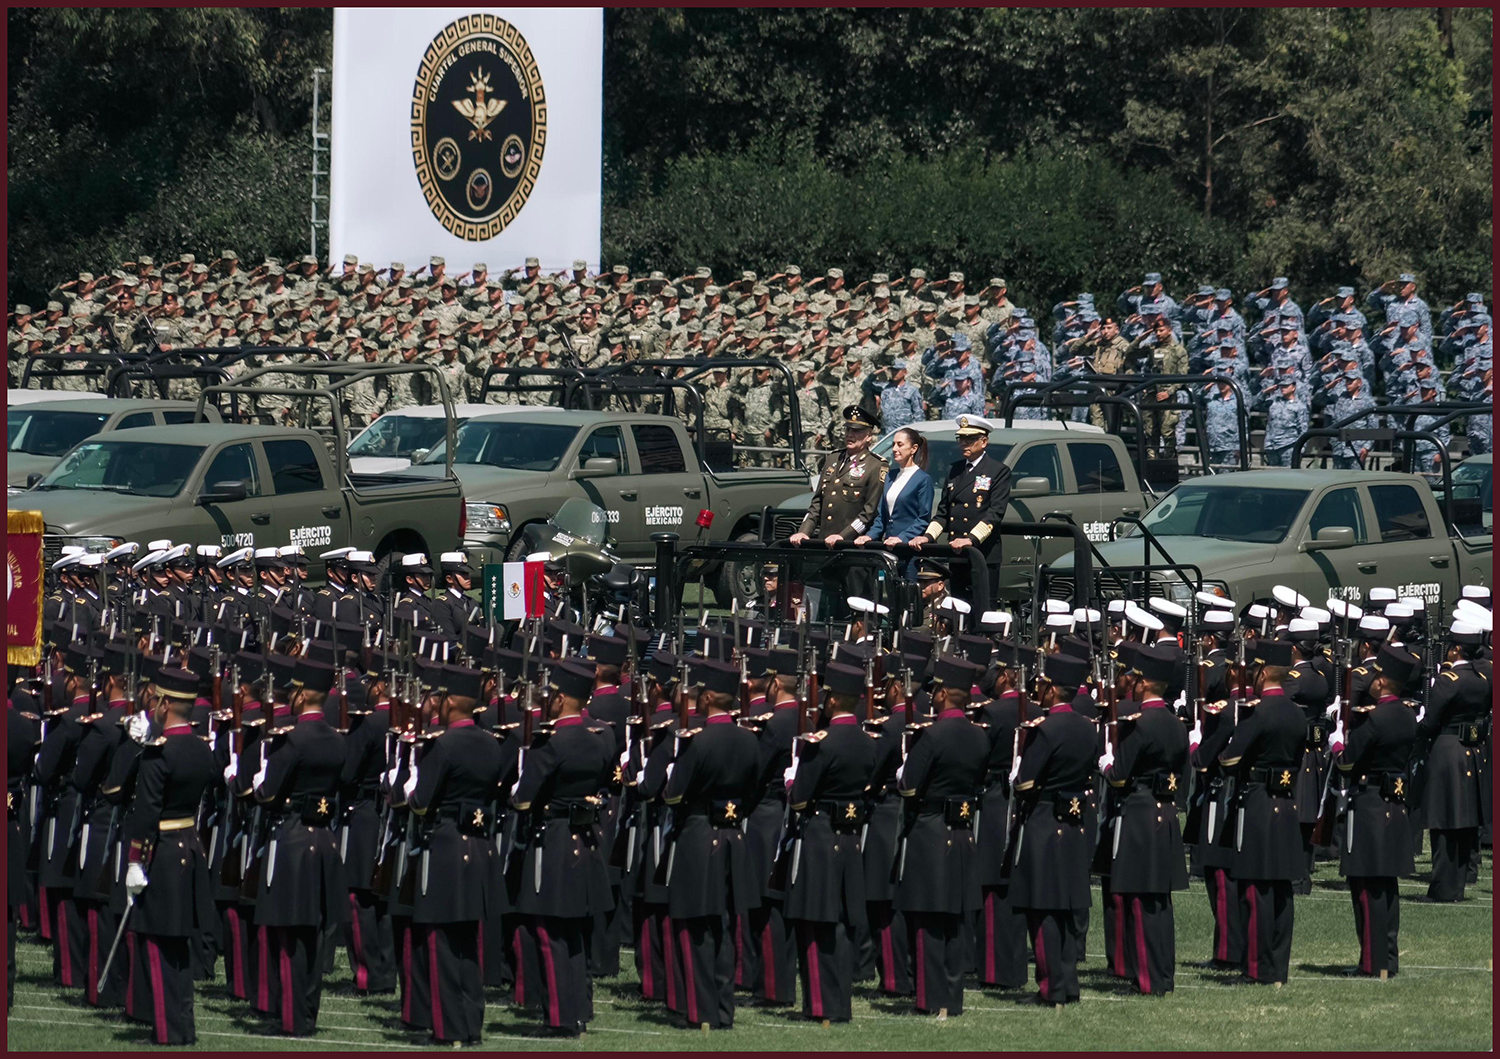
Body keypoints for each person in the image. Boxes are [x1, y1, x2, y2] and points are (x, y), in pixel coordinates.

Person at [405, 664, 506, 1044]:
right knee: (469, 945)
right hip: (480, 845)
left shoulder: (443, 745)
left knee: (442, 944)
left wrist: (409, 777)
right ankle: (471, 1026)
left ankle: (447, 1029)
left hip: (445, 846)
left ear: (448, 702)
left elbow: (420, 802)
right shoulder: (492, 743)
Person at [661, 659, 762, 1030]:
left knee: (693, 927)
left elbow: (673, 796)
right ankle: (722, 1009)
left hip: (699, 836)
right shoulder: (750, 740)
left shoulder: (696, 741)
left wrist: (673, 770)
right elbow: (753, 792)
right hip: (734, 836)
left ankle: (697, 1010)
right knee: (724, 928)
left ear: (705, 698)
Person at [250, 658, 348, 1035]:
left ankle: (291, 1020)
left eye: (293, 691)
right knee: (314, 933)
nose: (289, 697)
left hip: (291, 839)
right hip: (324, 839)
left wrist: (259, 778)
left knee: (291, 936)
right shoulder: (337, 741)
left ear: (304, 694)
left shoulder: (292, 739)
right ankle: (307, 1012)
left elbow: (268, 792)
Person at [122, 666, 218, 1045]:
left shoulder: (157, 755)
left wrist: (133, 861)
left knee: (161, 946)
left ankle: (167, 1031)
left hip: (160, 853)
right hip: (190, 847)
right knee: (179, 947)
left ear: (163, 704)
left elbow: (145, 814)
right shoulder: (200, 748)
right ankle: (182, 1027)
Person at [892, 654, 987, 1018]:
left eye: (935, 692)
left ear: (945, 693)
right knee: (954, 922)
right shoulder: (979, 737)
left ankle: (930, 999)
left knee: (928, 922)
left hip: (930, 832)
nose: (931, 697)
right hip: (962, 833)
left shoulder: (931, 736)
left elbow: (909, 787)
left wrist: (904, 766)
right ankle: (952, 997)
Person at [784, 662, 876, 1024]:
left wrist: (792, 779)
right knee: (842, 925)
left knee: (818, 924)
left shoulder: (820, 744)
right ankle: (840, 1004)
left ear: (834, 698)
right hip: (851, 839)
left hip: (821, 837)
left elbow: (801, 799)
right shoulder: (868, 743)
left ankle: (822, 1007)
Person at [1098, 644, 1190, 995]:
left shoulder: (1141, 725)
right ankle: (1163, 974)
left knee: (1139, 902)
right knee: (1160, 904)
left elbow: (1119, 776)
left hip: (1137, 816)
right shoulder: (1175, 724)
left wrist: (1106, 759)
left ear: (1142, 683)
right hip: (1165, 815)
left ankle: (1147, 980)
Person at [1010, 651, 1096, 1007]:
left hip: (1044, 824)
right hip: (1074, 824)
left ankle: (1051, 988)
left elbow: (1025, 784)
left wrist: (1017, 769)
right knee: (1065, 909)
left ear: (1052, 689)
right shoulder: (1086, 727)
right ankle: (1069, 985)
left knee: (1043, 910)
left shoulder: (1046, 730)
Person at [1217, 638, 1306, 986]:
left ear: (1265, 672)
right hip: (1285, 802)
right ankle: (1277, 967)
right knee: (1281, 889)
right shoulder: (1296, 713)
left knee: (1255, 891)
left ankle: (1255, 968)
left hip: (1255, 803)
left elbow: (1229, 761)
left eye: (1254, 670)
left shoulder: (1259, 713)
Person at [1330, 645, 1418, 977]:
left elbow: (1347, 762)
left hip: (1367, 806)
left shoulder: (1376, 720)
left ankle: (1372, 962)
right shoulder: (1407, 716)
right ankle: (1388, 959)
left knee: (1366, 889)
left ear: (1382, 682)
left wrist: (1338, 741)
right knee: (1388, 889)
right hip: (1393, 806)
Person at [1416, 620, 1490, 902]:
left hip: (1447, 751)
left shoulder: (1450, 680)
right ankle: (1456, 886)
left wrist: (1417, 725)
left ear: (1456, 649)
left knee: (1444, 824)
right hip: (1471, 752)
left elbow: (1431, 722)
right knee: (1463, 824)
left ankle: (1442, 889)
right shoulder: (1480, 679)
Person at [908, 415, 1010, 609]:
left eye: (970, 439)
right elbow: (943, 513)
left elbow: (995, 513)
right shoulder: (954, 470)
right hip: (957, 553)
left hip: (982, 553)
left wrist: (970, 539)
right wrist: (927, 536)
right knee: (958, 609)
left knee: (982, 610)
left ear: (984, 441)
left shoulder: (997, 471)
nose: (964, 444)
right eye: (961, 439)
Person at [855, 426, 934, 577]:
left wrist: (902, 537)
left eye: (900, 444)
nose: (895, 449)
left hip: (909, 550)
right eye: (893, 444)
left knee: (908, 594)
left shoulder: (923, 479)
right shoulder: (890, 476)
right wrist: (870, 535)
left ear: (913, 448)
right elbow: (882, 516)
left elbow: (923, 518)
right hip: (888, 549)